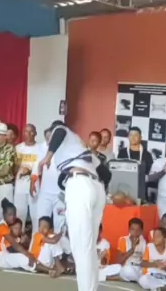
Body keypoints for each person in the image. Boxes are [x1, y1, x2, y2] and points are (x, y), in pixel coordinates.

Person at [38, 121, 108, 291]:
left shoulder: (62, 133)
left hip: (79, 185)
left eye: (48, 138)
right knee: (89, 247)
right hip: (96, 188)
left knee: (81, 248)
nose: (48, 142)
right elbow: (107, 174)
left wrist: (47, 156)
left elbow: (59, 131)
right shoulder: (81, 149)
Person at [0, 198, 36, 271]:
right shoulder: (2, 226)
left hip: (4, 254)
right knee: (24, 258)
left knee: (25, 256)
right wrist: (28, 255)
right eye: (10, 214)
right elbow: (15, 245)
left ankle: (40, 267)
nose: (13, 217)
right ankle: (44, 268)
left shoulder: (5, 225)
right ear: (4, 214)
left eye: (14, 214)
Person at [13, 124, 40, 231]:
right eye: (26, 131)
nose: (28, 134)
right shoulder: (18, 148)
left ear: (35, 133)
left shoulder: (40, 148)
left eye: (31, 131)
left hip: (34, 185)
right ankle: (20, 236)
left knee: (35, 214)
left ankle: (35, 238)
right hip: (20, 186)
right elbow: (14, 169)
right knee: (19, 213)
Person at [36, 127, 62, 232]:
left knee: (59, 223)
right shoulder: (41, 149)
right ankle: (38, 242)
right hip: (45, 193)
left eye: (50, 138)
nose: (48, 141)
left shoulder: (64, 150)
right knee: (41, 222)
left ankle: (60, 242)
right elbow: (36, 170)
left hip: (60, 195)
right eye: (46, 138)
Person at [115, 218, 147, 282]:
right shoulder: (123, 240)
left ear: (141, 231)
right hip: (128, 267)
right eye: (132, 229)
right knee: (128, 271)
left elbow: (144, 260)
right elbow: (119, 261)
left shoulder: (143, 241)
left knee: (149, 272)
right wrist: (132, 249)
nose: (135, 232)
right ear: (129, 230)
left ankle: (137, 279)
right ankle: (139, 280)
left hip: (139, 268)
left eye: (138, 230)